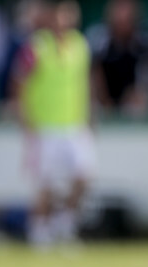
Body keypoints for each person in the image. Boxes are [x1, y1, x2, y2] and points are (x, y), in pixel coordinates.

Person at [12, 0, 95, 248]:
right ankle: (40, 231)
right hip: (45, 126)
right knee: (44, 182)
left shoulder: (80, 45)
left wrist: (91, 118)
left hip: (74, 124)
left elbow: (86, 83)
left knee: (84, 175)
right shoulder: (36, 47)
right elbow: (19, 84)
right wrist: (26, 121)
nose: (66, 19)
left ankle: (64, 224)